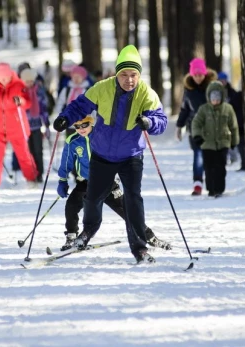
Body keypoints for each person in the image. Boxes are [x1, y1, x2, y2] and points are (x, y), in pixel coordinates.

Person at [53, 45, 168, 263]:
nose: (129, 79)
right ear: (117, 73)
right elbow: (79, 106)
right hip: (102, 154)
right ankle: (87, 232)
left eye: (133, 74)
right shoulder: (102, 88)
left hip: (131, 155)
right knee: (93, 197)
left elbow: (161, 121)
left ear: (139, 75)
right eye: (124, 74)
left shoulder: (146, 93)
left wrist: (149, 122)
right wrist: (65, 118)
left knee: (133, 199)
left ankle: (140, 248)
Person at [57, 115, 172, 251]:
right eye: (77, 126)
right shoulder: (73, 141)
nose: (81, 129)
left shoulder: (101, 136)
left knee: (127, 211)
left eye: (85, 125)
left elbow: (116, 155)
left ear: (91, 123)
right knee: (71, 206)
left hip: (107, 180)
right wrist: (62, 180)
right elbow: (66, 161)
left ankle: (148, 236)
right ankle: (71, 237)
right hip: (86, 182)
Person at [0, 63, 38, 188]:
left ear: (10, 75)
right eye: (1, 77)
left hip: (16, 127)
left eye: (6, 77)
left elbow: (27, 102)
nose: (4, 80)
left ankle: (32, 178)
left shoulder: (18, 84)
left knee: (24, 155)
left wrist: (21, 101)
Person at [175, 58, 217, 196]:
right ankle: (198, 183)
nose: (198, 77)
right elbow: (184, 110)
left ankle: (213, 183)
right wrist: (179, 126)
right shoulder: (189, 91)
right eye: (195, 75)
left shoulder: (212, 88)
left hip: (211, 128)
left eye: (200, 74)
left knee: (210, 155)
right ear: (191, 75)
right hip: (195, 128)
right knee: (198, 154)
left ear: (205, 74)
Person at [191, 81, 239, 197]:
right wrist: (197, 136)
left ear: (222, 97)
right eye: (213, 98)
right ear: (209, 97)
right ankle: (211, 188)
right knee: (209, 167)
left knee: (220, 167)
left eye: (218, 98)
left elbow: (233, 126)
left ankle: (219, 189)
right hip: (207, 144)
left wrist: (234, 141)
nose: (215, 100)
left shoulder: (228, 109)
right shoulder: (204, 109)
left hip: (223, 144)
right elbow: (196, 123)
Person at [11, 68, 50, 182]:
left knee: (38, 149)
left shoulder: (39, 91)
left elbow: (43, 108)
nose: (29, 83)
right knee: (28, 151)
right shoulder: (19, 92)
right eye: (27, 81)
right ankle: (31, 173)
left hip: (36, 125)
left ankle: (40, 173)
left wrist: (46, 123)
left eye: (31, 81)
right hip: (24, 126)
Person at [52, 65, 91, 137]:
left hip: (84, 124)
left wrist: (92, 118)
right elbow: (60, 102)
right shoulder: (67, 90)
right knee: (70, 142)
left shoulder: (88, 90)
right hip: (70, 123)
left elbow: (92, 105)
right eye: (74, 77)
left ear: (83, 77)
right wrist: (61, 116)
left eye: (78, 77)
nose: (76, 79)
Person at [217, 71, 245, 171]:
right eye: (220, 80)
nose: (222, 82)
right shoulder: (214, 92)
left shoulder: (232, 93)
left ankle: (235, 158)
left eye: (223, 80)